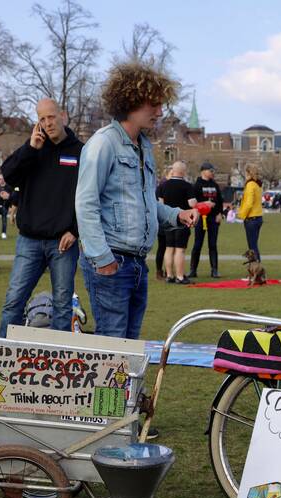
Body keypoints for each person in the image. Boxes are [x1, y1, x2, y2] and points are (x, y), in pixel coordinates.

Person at [76, 61, 198, 340]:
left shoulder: (143, 146)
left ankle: (125, 387)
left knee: (128, 343)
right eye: (153, 104)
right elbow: (85, 204)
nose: (159, 111)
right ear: (131, 100)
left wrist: (176, 215)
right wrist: (102, 258)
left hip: (135, 263)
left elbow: (143, 203)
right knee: (112, 345)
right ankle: (110, 387)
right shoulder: (103, 144)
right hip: (112, 261)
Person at [0, 98, 84, 336]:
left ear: (63, 116)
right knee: (13, 301)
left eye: (51, 117)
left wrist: (75, 230)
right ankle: (2, 356)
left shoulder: (81, 152)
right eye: (42, 119)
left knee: (63, 306)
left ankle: (57, 360)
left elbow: (89, 197)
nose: (47, 123)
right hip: (30, 240)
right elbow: (8, 175)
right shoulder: (33, 149)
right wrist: (30, 149)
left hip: (62, 243)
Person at [155, 161, 197, 284]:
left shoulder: (163, 185)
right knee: (180, 250)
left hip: (167, 221)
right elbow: (192, 204)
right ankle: (180, 276)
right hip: (182, 220)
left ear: (172, 170)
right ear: (183, 172)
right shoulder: (187, 186)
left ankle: (169, 275)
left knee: (169, 248)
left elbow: (160, 204)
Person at [189, 161, 225, 278]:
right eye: (211, 170)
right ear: (203, 171)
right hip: (200, 218)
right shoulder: (197, 185)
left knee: (213, 245)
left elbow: (220, 200)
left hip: (213, 219)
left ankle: (214, 270)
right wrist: (204, 204)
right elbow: (193, 203)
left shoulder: (215, 185)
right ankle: (193, 270)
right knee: (197, 244)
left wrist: (220, 213)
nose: (212, 173)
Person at [237, 164, 264, 262]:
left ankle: (255, 267)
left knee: (252, 246)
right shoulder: (258, 184)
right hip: (258, 217)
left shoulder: (250, 185)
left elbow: (249, 203)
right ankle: (257, 265)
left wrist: (242, 215)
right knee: (254, 245)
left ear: (248, 173)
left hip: (251, 218)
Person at [0, 174, 12, 238]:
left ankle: (3, 233)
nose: (1, 180)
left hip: (5, 206)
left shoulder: (8, 187)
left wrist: (10, 206)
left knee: (4, 220)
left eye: (1, 179)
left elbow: (11, 197)